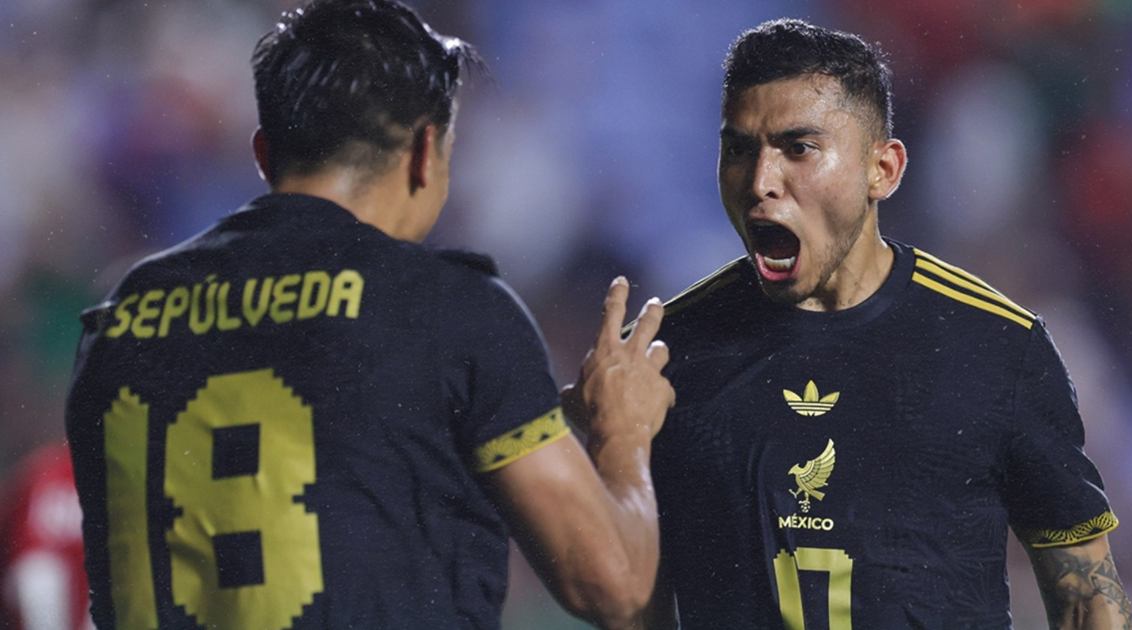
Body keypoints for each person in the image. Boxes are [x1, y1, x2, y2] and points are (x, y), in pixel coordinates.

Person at [64, 2, 674, 629]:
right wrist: (622, 436)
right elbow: (615, 590)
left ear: (264, 154)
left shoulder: (118, 322)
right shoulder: (449, 310)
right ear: (425, 151)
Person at [644, 19, 1132, 629]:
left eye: (799, 148)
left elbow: (1088, 599)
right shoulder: (670, 352)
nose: (761, 182)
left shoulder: (998, 347)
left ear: (883, 169)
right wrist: (609, 453)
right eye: (740, 149)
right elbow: (622, 598)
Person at [0, 442, 93, 630]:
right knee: (40, 574)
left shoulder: (46, 465)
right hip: (42, 588)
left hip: (92, 595)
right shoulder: (45, 467)